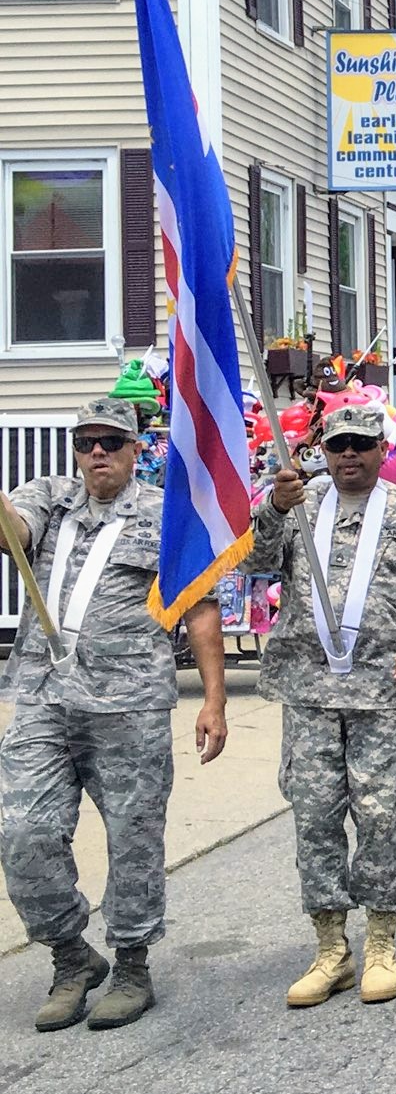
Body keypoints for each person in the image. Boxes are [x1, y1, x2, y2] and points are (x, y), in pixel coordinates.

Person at [0, 397, 229, 1032]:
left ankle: (132, 964)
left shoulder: (164, 516)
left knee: (132, 840)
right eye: (86, 442)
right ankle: (72, 958)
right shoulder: (49, 498)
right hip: (45, 700)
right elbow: (12, 533)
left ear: (135, 450)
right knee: (22, 834)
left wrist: (213, 699)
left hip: (129, 706)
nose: (97, 452)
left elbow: (200, 608)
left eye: (111, 442)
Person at [251, 404, 396, 1006]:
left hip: (386, 696)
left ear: (382, 450)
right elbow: (250, 562)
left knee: (382, 818)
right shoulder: (298, 503)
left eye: (361, 444)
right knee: (315, 819)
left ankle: (380, 940)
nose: (349, 455)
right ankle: (331, 950)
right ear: (324, 449)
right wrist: (273, 509)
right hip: (310, 695)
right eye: (339, 444)